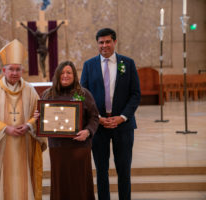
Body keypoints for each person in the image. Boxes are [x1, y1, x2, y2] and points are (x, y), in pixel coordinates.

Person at [0, 39, 46, 200]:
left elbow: (38, 115)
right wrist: (5, 128)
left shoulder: (30, 91)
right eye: (11, 69)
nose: (15, 73)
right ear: (4, 70)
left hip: (25, 145)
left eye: (18, 69)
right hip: (2, 146)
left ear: (22, 70)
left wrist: (29, 125)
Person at [80, 28, 141, 200]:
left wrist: (122, 117)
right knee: (101, 171)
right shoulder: (88, 65)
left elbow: (136, 94)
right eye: (101, 42)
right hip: (98, 127)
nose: (104, 45)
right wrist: (97, 118)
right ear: (97, 44)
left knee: (124, 170)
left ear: (115, 42)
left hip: (123, 126)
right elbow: (81, 95)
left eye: (107, 42)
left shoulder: (127, 63)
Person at [40, 61, 99, 200]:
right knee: (61, 183)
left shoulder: (83, 93)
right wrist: (39, 116)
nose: (65, 75)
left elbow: (94, 117)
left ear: (74, 75)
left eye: (69, 72)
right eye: (62, 72)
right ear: (57, 75)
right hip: (58, 148)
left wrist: (88, 131)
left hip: (79, 147)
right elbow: (43, 119)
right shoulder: (48, 94)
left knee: (79, 184)